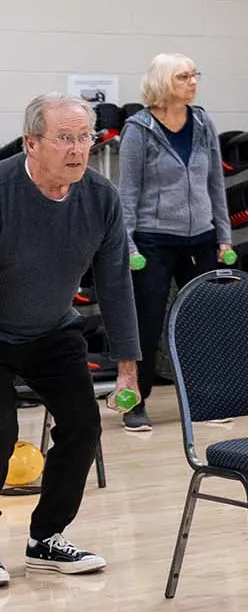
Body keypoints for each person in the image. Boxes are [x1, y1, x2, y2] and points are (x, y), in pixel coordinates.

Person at [0, 92, 141, 581]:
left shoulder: (100, 199)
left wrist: (127, 366)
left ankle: (46, 540)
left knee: (83, 426)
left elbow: (116, 282)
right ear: (31, 143)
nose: (78, 148)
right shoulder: (2, 190)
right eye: (64, 138)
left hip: (53, 330)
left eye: (85, 137)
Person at [116, 53, 230, 432]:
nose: (193, 82)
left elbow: (216, 184)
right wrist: (128, 245)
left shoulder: (202, 122)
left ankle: (206, 399)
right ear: (165, 82)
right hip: (152, 240)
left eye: (195, 74)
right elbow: (127, 193)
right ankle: (137, 400)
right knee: (146, 323)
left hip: (200, 237)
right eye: (184, 76)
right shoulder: (139, 129)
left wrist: (223, 234)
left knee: (203, 321)